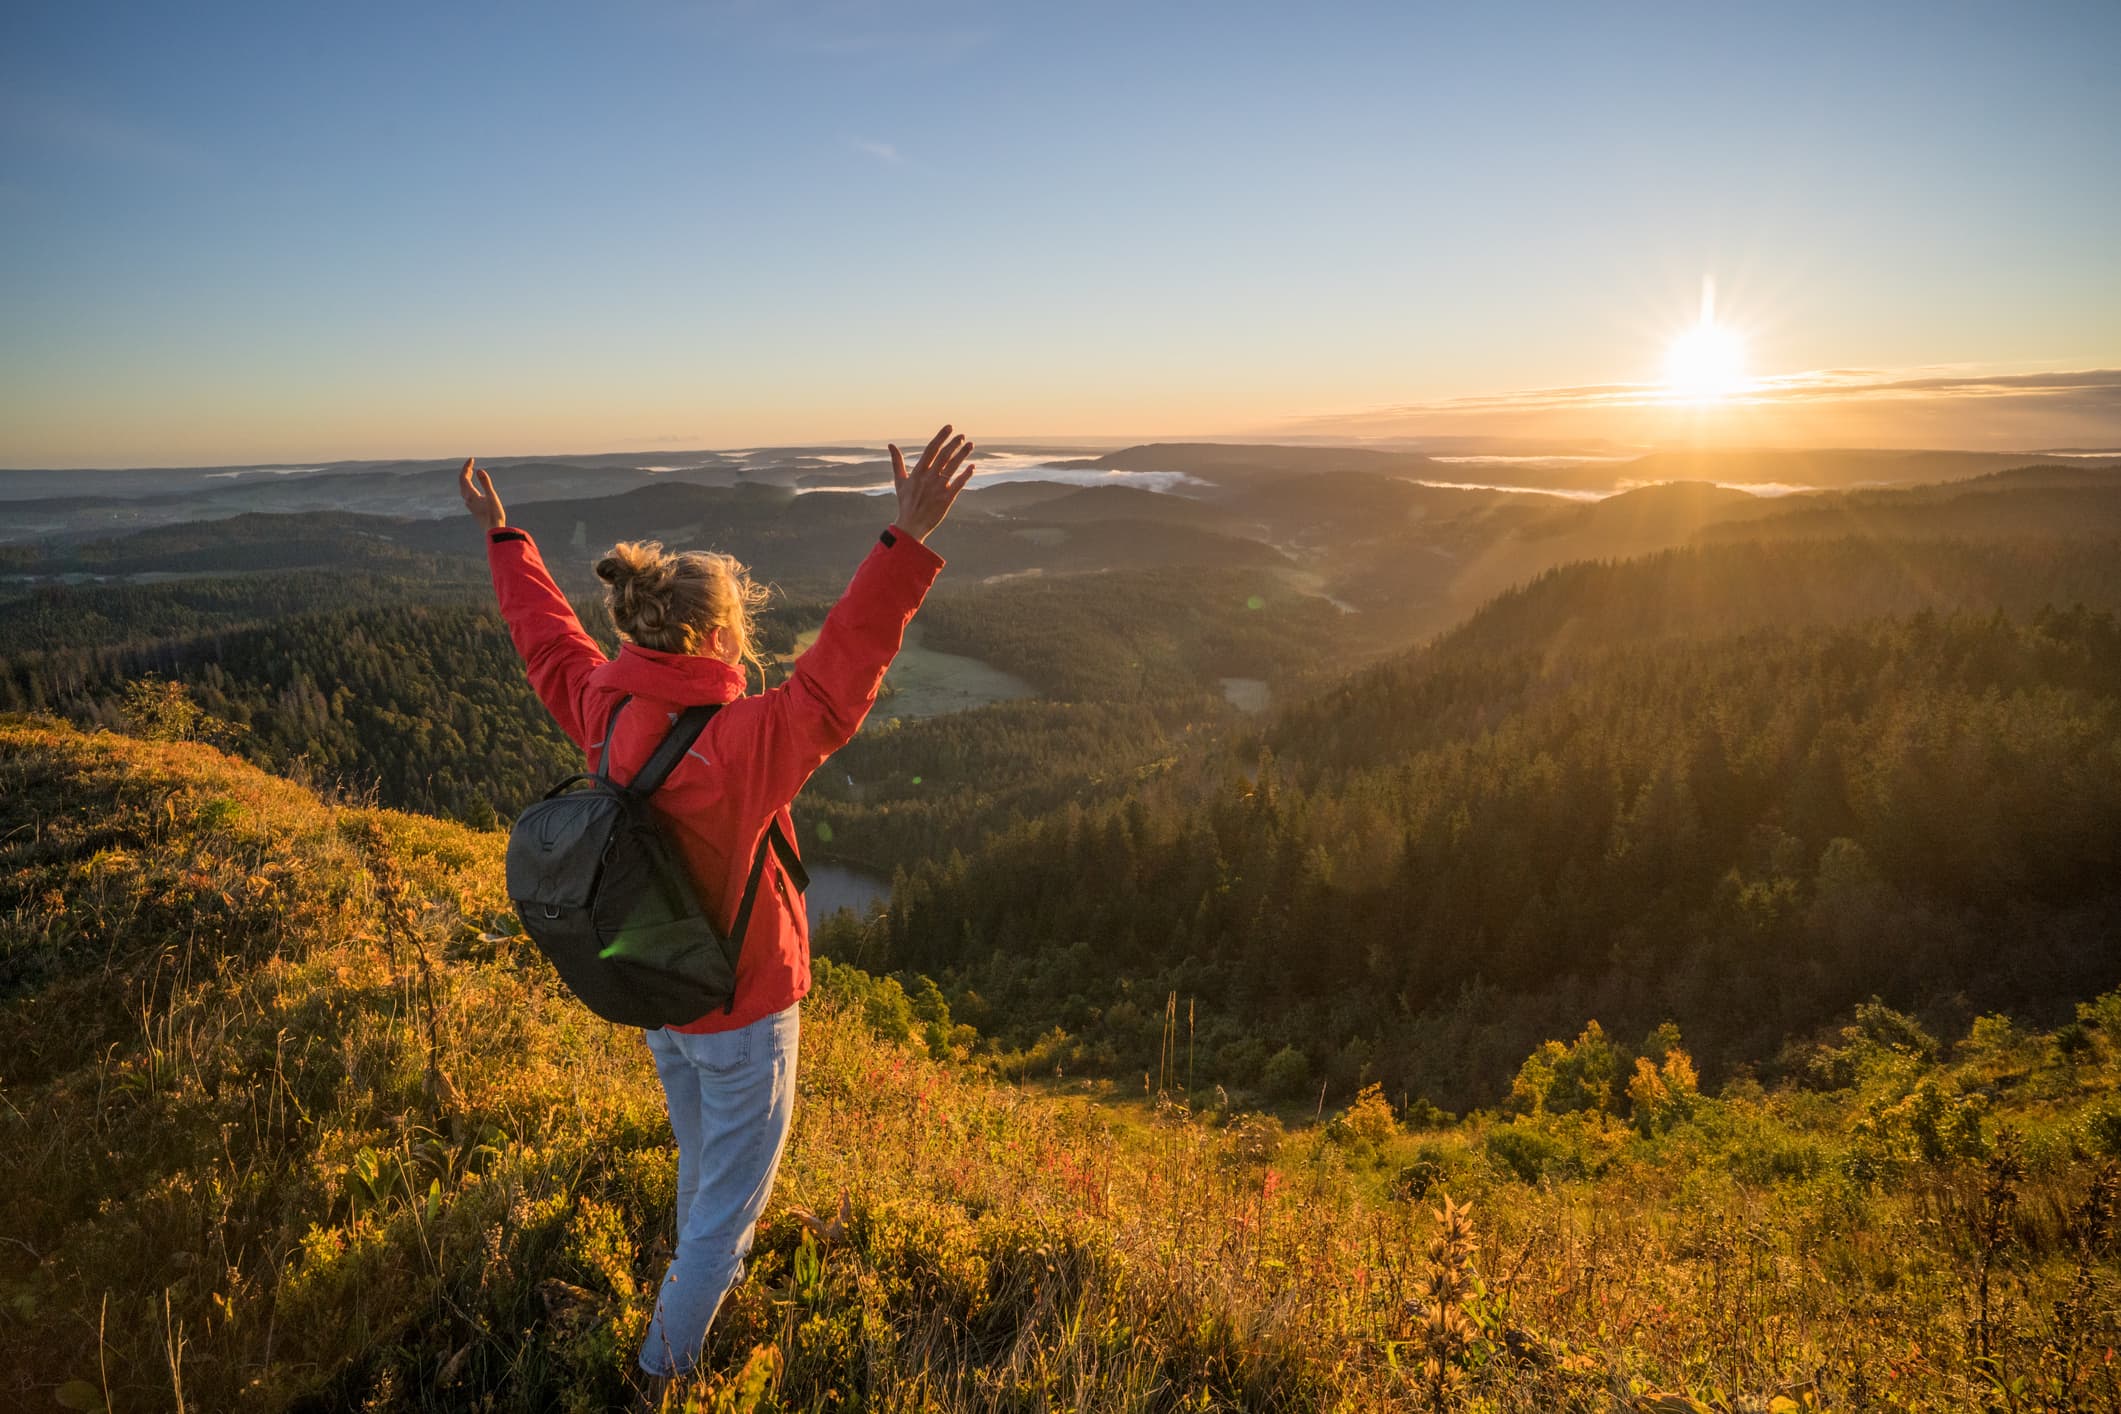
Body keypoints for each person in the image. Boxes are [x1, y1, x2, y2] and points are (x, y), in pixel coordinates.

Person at [457, 426, 976, 1381]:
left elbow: (548, 643)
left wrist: (505, 541)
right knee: (726, 1223)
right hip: (741, 1010)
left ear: (640, 628)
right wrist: (904, 542)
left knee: (707, 1177)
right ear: (719, 637)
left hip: (662, 998)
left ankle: (677, 1313)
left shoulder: (603, 707)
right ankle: (662, 1373)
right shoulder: (744, 741)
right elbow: (837, 678)